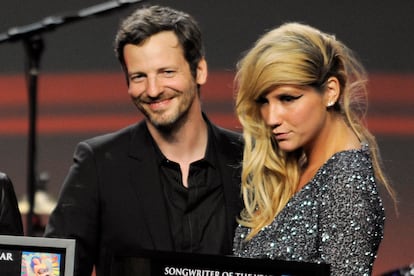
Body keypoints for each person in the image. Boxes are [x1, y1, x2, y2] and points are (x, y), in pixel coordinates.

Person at [44, 5, 243, 276]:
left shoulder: (250, 157)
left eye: (167, 72)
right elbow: (54, 268)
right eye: (139, 76)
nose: (153, 90)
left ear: (200, 71)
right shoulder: (99, 163)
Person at [232, 22, 396, 275]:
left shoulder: (346, 179)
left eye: (288, 98)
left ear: (330, 91)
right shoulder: (294, 165)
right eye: (264, 101)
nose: (271, 117)